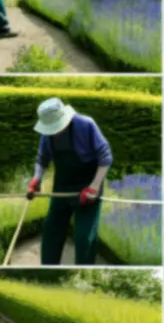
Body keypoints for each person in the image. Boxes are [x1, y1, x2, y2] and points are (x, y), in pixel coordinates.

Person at [26, 97, 113, 265]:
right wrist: (37, 178)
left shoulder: (85, 125)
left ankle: (84, 272)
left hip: (88, 186)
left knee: (83, 237)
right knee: (51, 231)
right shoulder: (47, 134)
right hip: (62, 186)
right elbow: (42, 158)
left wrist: (94, 187)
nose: (54, 131)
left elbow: (106, 156)